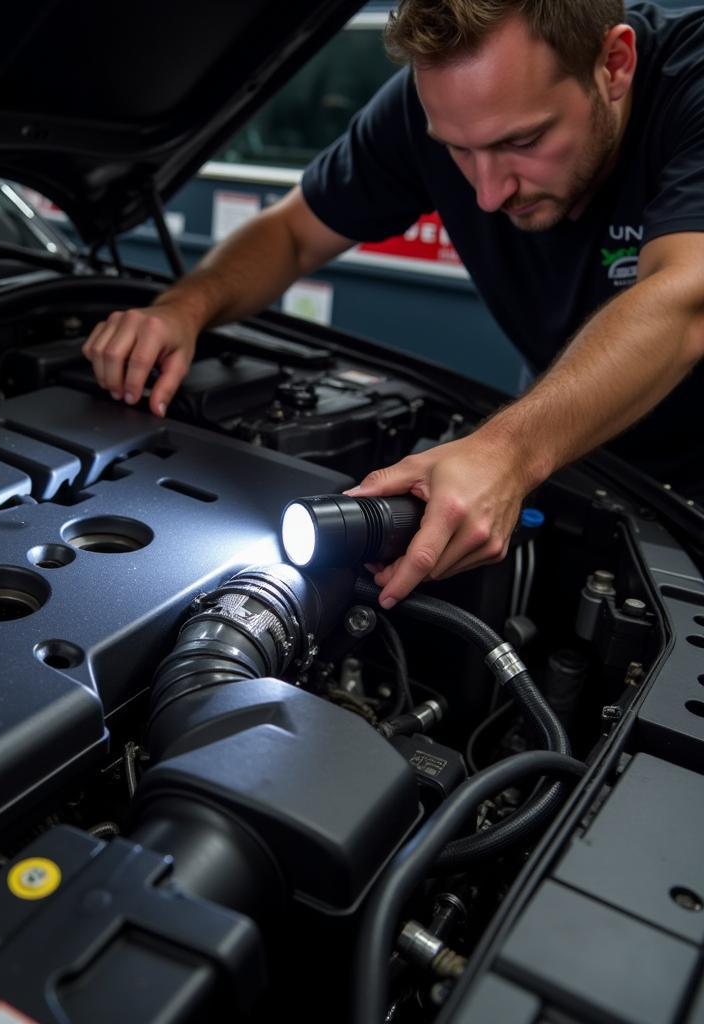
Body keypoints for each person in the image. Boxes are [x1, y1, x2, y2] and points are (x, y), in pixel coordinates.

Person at [82, 0, 704, 609]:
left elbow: (684, 301)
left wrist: (505, 451)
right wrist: (184, 308)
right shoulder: (428, 108)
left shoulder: (691, 78)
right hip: (580, 460)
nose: (488, 194)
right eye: (458, 150)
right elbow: (294, 234)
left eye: (524, 140)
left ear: (615, 64)